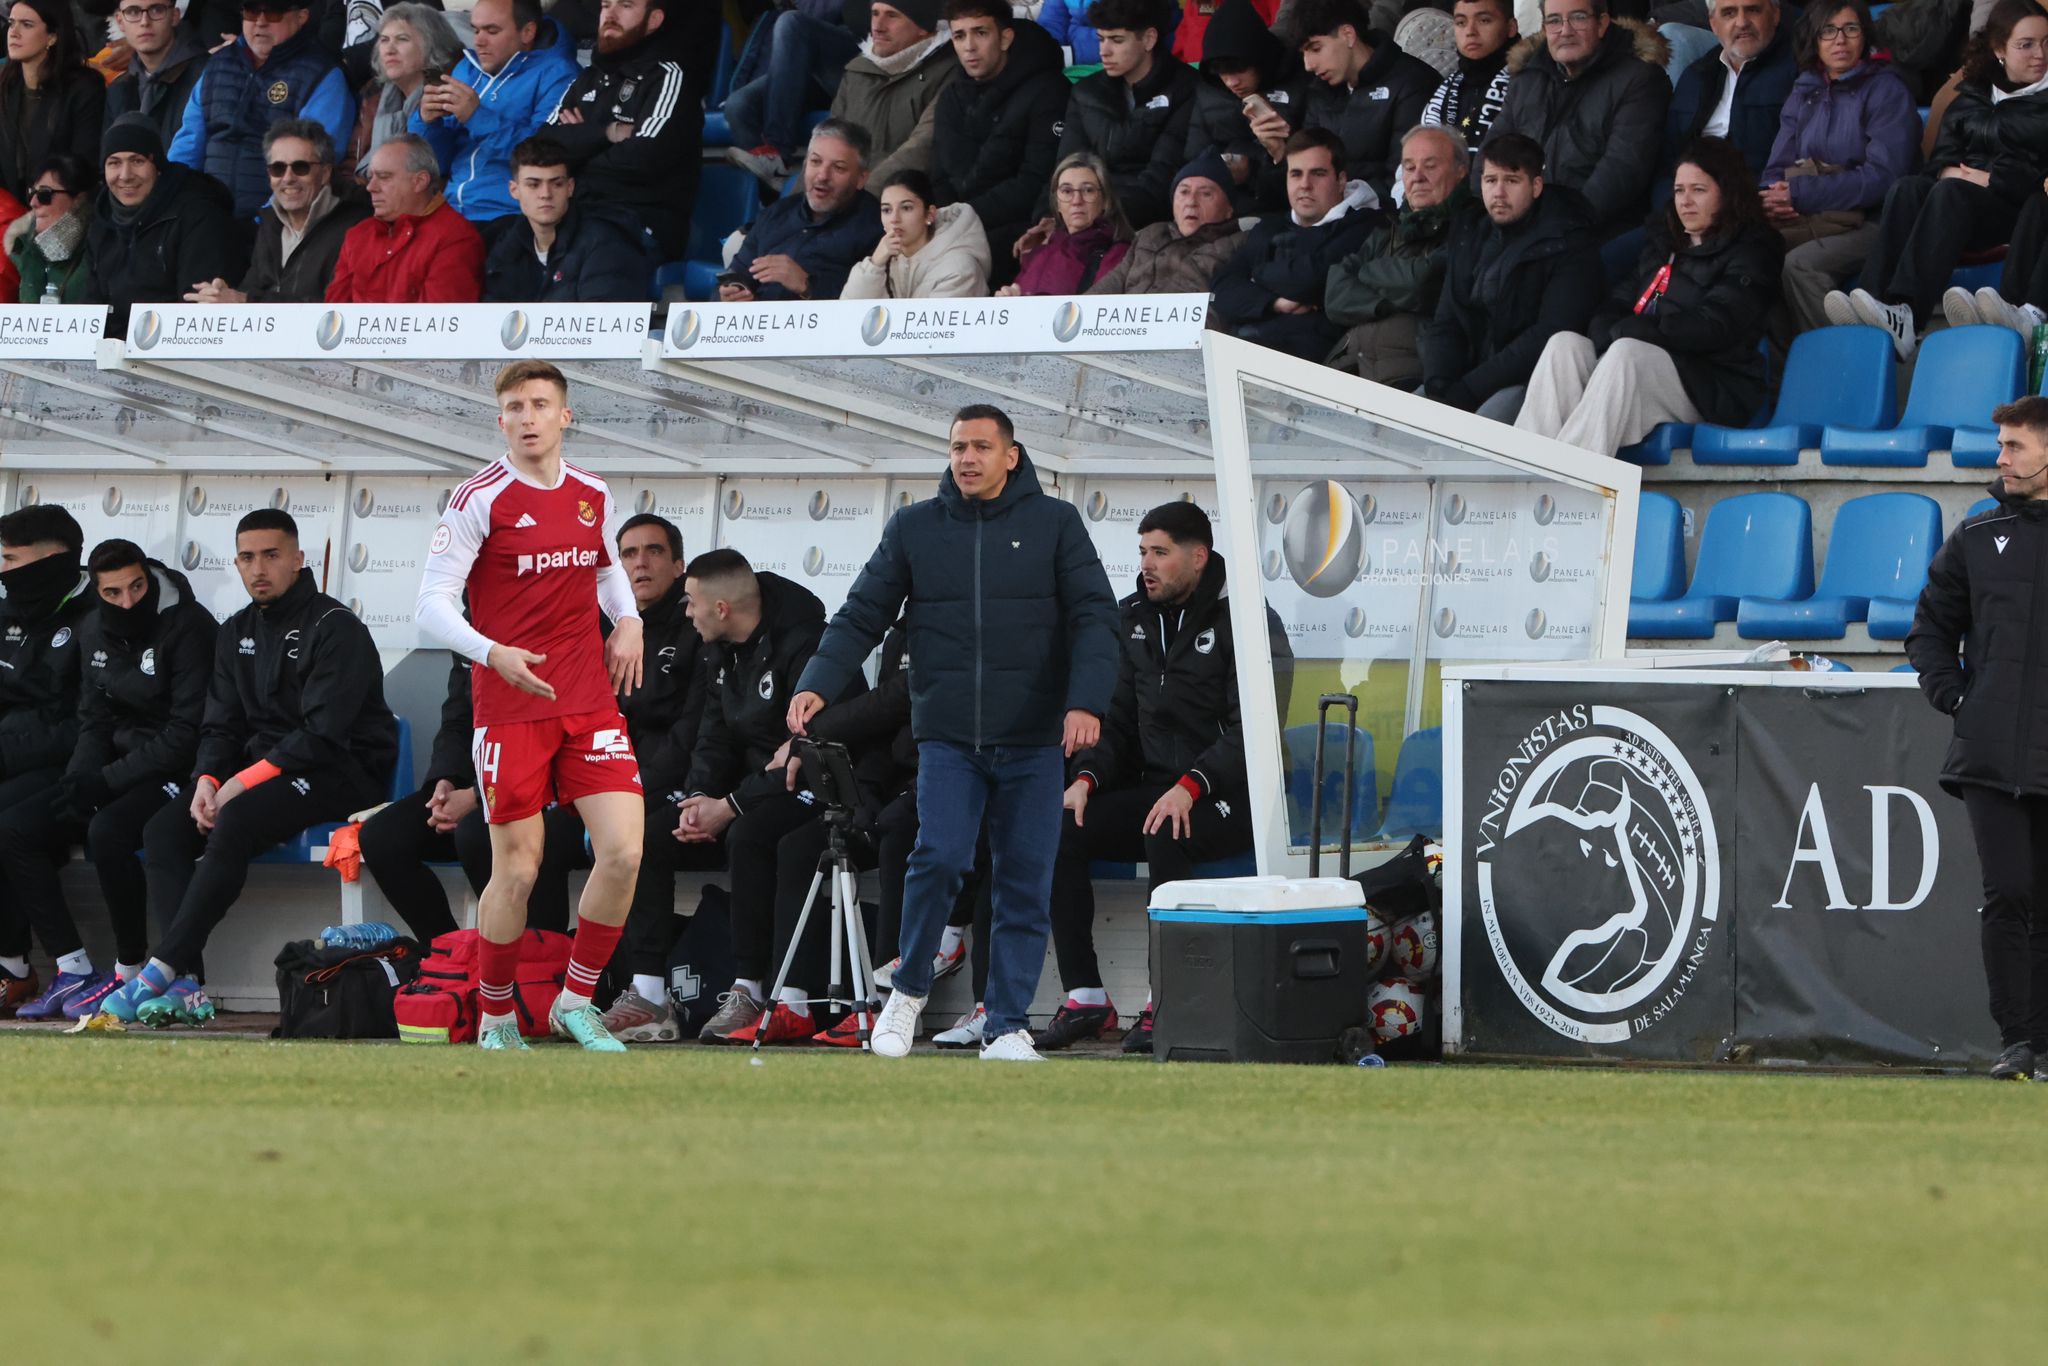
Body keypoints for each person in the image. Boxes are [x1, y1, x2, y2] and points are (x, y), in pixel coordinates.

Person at [790, 403, 1120, 1063]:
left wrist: (1085, 703)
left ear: (1010, 456)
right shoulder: (916, 528)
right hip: (948, 736)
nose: (966, 458)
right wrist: (818, 680)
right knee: (937, 857)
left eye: (980, 447)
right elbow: (862, 612)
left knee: (1024, 878)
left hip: (1032, 740)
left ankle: (1004, 1025)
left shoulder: (1055, 524)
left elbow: (1094, 618)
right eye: (957, 447)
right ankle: (907, 993)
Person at [412, 359, 649, 1053]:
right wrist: (492, 652)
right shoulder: (478, 497)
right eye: (514, 407)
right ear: (501, 420)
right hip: (510, 706)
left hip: (588, 703)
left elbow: (606, 570)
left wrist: (629, 620)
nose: (527, 417)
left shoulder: (591, 493)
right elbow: (429, 605)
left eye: (539, 404)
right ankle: (494, 1015)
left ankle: (576, 1002)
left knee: (626, 852)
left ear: (564, 416)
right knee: (516, 869)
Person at [94, 509, 399, 1027]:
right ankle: (186, 983)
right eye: (248, 557)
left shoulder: (336, 627)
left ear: (299, 560)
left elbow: (322, 735)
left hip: (342, 772)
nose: (259, 568)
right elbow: (220, 726)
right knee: (166, 827)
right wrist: (207, 781)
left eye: (272, 555)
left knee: (236, 819)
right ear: (236, 562)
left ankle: (160, 967)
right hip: (262, 774)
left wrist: (238, 783)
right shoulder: (235, 630)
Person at [1042, 502, 1281, 1054]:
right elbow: (1118, 723)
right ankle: (1085, 997)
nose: (1146, 564)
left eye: (1160, 553)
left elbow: (1255, 732)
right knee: (1063, 827)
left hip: (1232, 797)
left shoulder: (1246, 620)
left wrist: (1192, 784)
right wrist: (1086, 778)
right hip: (1159, 790)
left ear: (1198, 558)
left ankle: (1166, 999)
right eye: (1143, 552)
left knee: (1165, 827)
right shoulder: (1133, 620)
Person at [0, 539, 215, 1021]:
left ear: (149, 577)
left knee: (110, 832)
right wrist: (79, 781)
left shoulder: (189, 626)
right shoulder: (93, 627)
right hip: (120, 770)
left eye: (136, 587)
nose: (128, 602)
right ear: (97, 592)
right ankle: (73, 968)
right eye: (113, 593)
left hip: (183, 771)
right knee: (18, 828)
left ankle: (137, 969)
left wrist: (104, 782)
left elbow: (185, 733)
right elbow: (93, 719)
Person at [1905, 393, 2048, 1082]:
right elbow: (1929, 627)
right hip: (1990, 753)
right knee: (2010, 892)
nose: (2001, 458)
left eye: (2014, 445)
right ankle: (2017, 1044)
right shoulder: (1977, 532)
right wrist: (1957, 696)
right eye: (2001, 445)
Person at [1516, 136, 1782, 456]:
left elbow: (1717, 324)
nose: (1685, 201)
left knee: (1629, 351)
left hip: (1712, 384)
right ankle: (1529, 468)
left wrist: (1650, 332)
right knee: (1565, 345)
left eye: (1699, 190)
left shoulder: (1754, 248)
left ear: (1728, 194)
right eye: (1679, 190)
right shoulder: (1666, 240)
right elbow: (1622, 298)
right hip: (1644, 367)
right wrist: (1607, 325)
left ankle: (1571, 478)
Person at [671, 550, 841, 1043]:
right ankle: (646, 990)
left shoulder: (806, 643)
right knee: (652, 835)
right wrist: (700, 799)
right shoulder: (718, 650)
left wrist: (730, 807)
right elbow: (713, 734)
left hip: (818, 787)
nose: (687, 613)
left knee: (754, 834)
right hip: (753, 788)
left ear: (721, 608)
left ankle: (761, 990)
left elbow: (802, 758)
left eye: (691, 603)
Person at [1826, 0, 2048, 360]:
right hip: (1961, 198)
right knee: (1908, 188)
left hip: (2013, 209)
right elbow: (1941, 154)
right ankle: (1872, 299)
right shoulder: (1974, 92)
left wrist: (1989, 179)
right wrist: (1946, 170)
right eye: (2027, 44)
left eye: (2047, 42)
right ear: (1998, 50)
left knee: (1950, 194)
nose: (2040, 54)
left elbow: (2042, 178)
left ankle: (1907, 311)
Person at [357, 650, 583, 942]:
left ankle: (533, 960)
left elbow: (553, 732)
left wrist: (478, 796)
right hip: (478, 785)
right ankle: (447, 956)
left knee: (476, 833)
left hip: (545, 789)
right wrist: (445, 780)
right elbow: (457, 721)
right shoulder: (471, 628)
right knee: (383, 838)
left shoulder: (547, 626)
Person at [594, 511, 718, 1042]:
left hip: (665, 786)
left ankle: (647, 995)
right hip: (605, 784)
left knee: (637, 835)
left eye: (653, 552)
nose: (640, 563)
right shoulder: (601, 628)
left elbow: (692, 731)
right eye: (628, 554)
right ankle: (560, 980)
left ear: (679, 564)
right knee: (519, 839)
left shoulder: (696, 632)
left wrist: (626, 791)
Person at [1757, 1, 1920, 336]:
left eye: (1851, 29)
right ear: (1814, 40)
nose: (1839, 40)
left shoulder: (1887, 90)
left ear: (1865, 37)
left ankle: (1845, 360)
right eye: (1827, 31)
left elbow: (1884, 178)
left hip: (1875, 221)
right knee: (1748, 255)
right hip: (1813, 216)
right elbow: (1776, 167)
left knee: (1799, 267)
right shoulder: (1804, 90)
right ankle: (1783, 370)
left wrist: (1800, 193)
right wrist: (1772, 196)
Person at [1420, 132, 1603, 418]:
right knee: (1408, 417)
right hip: (1467, 380)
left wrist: (1469, 389)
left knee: (1482, 429)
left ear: (1536, 186)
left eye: (1512, 180)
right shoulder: (1470, 232)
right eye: (1491, 180)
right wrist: (1438, 382)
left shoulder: (1570, 241)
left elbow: (1548, 334)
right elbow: (1447, 320)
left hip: (1528, 382)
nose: (1499, 193)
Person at [0, 506, 95, 1017]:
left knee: (9, 824)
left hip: (74, 766)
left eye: (11, 559)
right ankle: (11, 964)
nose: (3, 570)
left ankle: (18, 965)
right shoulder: (8, 612)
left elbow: (86, 724)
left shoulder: (95, 617)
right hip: (15, 760)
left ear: (52, 559)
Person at [1478, 0, 1671, 238]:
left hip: (1594, 234)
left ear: (1602, 24)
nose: (1565, 30)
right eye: (1554, 20)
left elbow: (1623, 169)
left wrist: (1561, 224)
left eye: (1578, 18)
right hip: (1521, 227)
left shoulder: (1639, 79)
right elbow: (1490, 155)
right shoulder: (1527, 78)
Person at [168, 0, 356, 221]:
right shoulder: (217, 65)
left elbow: (313, 163)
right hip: (206, 220)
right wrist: (177, 208)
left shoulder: (323, 75)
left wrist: (266, 222)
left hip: (277, 225)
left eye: (274, 13)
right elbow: (186, 148)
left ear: (301, 17)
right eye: (251, 12)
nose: (261, 22)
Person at [545, 0, 701, 261]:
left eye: (626, 6)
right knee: (511, 249)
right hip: (576, 217)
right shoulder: (585, 79)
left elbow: (643, 159)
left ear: (654, 20)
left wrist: (575, 147)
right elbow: (539, 150)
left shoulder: (668, 78)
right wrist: (607, 134)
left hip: (636, 225)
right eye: (606, 5)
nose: (610, 14)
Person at [1209, 126, 1380, 361]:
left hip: (1314, 365)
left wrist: (1255, 275)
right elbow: (1221, 289)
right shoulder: (1269, 227)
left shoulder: (1367, 225)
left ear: (1340, 180)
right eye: (1296, 174)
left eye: (1317, 173)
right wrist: (1275, 303)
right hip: (1242, 354)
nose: (1305, 185)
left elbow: (1309, 281)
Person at [927, 1, 1069, 279]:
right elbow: (938, 175)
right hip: (955, 225)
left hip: (1016, 228)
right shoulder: (950, 97)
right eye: (959, 35)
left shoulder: (1049, 91)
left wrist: (959, 219)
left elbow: (1036, 180)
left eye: (980, 33)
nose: (969, 46)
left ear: (1005, 38)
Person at [409, 0, 578, 226]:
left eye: (492, 31)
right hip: (449, 210)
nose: (479, 41)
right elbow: (435, 163)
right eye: (475, 30)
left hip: (508, 217)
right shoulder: (467, 69)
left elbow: (543, 156)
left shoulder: (559, 74)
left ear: (527, 32)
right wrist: (428, 123)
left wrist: (476, 117)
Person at [1325, 124, 1470, 384]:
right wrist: (1386, 304)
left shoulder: (1472, 225)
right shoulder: (1389, 227)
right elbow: (1335, 294)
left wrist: (1366, 273)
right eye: (1409, 167)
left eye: (1430, 165)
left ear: (1461, 171)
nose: (1417, 177)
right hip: (1347, 365)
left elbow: (1421, 283)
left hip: (1410, 375)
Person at [184, 119, 372, 303]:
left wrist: (246, 301)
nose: (288, 178)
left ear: (325, 173)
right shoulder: (270, 223)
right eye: (278, 168)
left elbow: (335, 310)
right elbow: (251, 290)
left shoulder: (356, 228)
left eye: (301, 167)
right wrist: (224, 295)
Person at [86, 115, 240, 336]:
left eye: (137, 161)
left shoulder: (197, 214)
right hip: (113, 354)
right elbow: (91, 307)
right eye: (114, 163)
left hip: (172, 354)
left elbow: (194, 311)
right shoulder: (101, 221)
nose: (125, 175)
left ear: (157, 166)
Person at [1055, 0, 1201, 228]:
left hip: (1145, 223)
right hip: (1084, 216)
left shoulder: (1185, 89)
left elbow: (1161, 178)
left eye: (1117, 40)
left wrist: (1100, 219)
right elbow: (1067, 168)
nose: (1104, 51)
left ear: (1149, 39)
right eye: (1101, 39)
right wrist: (1047, 217)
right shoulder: (1086, 92)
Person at [1292, 0, 1442, 205]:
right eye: (1303, 53)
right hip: (1325, 214)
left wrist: (1341, 202)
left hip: (1379, 221)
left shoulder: (1412, 83)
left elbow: (1403, 181)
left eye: (1316, 49)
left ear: (1348, 35)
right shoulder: (1320, 90)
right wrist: (1277, 151)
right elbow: (1304, 177)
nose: (1308, 65)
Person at [721, 118, 883, 302]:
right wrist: (729, 295)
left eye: (838, 167)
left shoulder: (876, 226)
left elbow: (871, 301)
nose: (822, 176)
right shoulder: (777, 213)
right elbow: (736, 273)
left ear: (861, 178)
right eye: (815, 162)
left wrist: (807, 286)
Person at [483, 134, 655, 301]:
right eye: (533, 185)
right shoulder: (508, 244)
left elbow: (604, 322)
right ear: (514, 190)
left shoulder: (605, 241)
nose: (545, 194)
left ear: (570, 187)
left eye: (557, 184)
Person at [816, 0, 960, 191]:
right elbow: (827, 144)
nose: (877, 26)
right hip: (843, 194)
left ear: (922, 27)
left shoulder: (949, 72)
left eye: (892, 15)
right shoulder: (857, 70)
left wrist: (860, 198)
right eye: (875, 13)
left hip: (897, 203)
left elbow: (922, 147)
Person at [721, 0, 866, 186]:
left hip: (859, 55)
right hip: (810, 61)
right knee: (739, 106)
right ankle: (772, 201)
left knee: (791, 22)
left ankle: (777, 150)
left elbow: (844, 12)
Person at [326, 133, 485, 301]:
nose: (371, 187)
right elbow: (335, 317)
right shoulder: (358, 234)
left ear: (420, 181)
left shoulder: (456, 238)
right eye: (370, 177)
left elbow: (439, 324)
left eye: (384, 177)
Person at [1184, 0, 1302, 215]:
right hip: (1217, 204)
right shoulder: (1209, 91)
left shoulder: (1298, 83)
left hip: (1281, 203)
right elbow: (1193, 158)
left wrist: (1253, 169)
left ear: (1259, 58)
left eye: (1238, 69)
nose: (1231, 81)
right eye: (1220, 71)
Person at [1662, 0, 1798, 186]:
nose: (1742, 22)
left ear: (1775, 15)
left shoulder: (1800, 70)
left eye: (1753, 10)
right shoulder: (1695, 76)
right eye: (1729, 13)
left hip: (1761, 201)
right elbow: (1667, 162)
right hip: (1691, 203)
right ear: (1713, 24)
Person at [1087, 149, 1246, 293]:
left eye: (1205, 194)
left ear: (1228, 210)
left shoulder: (1239, 244)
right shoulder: (1151, 235)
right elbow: (1112, 283)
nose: (1191, 202)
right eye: (1184, 192)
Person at [0, 0, 105, 203]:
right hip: (10, 214)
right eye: (12, 23)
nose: (14, 32)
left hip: (62, 212)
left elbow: (83, 168)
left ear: (52, 36)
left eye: (27, 25)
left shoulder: (84, 88)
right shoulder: (6, 86)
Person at [345, 4, 463, 183]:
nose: (389, 49)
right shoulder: (374, 94)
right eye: (384, 40)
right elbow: (355, 160)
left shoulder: (447, 97)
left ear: (432, 46)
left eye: (402, 39)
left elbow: (437, 169)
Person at [841, 167, 991, 297]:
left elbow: (929, 330)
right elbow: (851, 319)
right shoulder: (885, 259)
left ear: (930, 214)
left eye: (906, 208)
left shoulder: (959, 269)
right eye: (886, 210)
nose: (894, 219)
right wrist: (874, 266)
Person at [998, 151, 1133, 295]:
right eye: (1067, 191)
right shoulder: (1040, 252)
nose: (1076, 200)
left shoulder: (1118, 253)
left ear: (1105, 201)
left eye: (1088, 190)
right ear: (1057, 203)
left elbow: (1096, 310)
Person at [103, 0, 211, 146]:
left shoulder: (209, 76)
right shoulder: (118, 89)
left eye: (156, 10)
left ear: (175, 16)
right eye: (133, 12)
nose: (144, 22)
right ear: (120, 21)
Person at [1422, 0, 1518, 147]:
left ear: (1511, 27)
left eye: (1484, 20)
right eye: (1461, 22)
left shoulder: (1528, 82)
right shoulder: (1449, 86)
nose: (1470, 31)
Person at [6, 152, 93, 302]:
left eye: (44, 194)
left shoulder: (100, 250)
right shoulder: (25, 249)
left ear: (78, 199)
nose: (33, 202)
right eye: (31, 193)